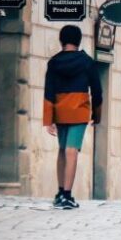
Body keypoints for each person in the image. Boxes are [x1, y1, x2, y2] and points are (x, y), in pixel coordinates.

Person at [43, 25, 102, 209]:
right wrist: (96, 114)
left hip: (60, 110)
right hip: (79, 110)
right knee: (71, 151)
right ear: (78, 41)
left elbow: (48, 91)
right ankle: (67, 195)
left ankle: (60, 192)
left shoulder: (53, 62)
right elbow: (97, 90)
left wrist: (48, 119)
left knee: (61, 150)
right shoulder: (87, 62)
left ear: (62, 40)